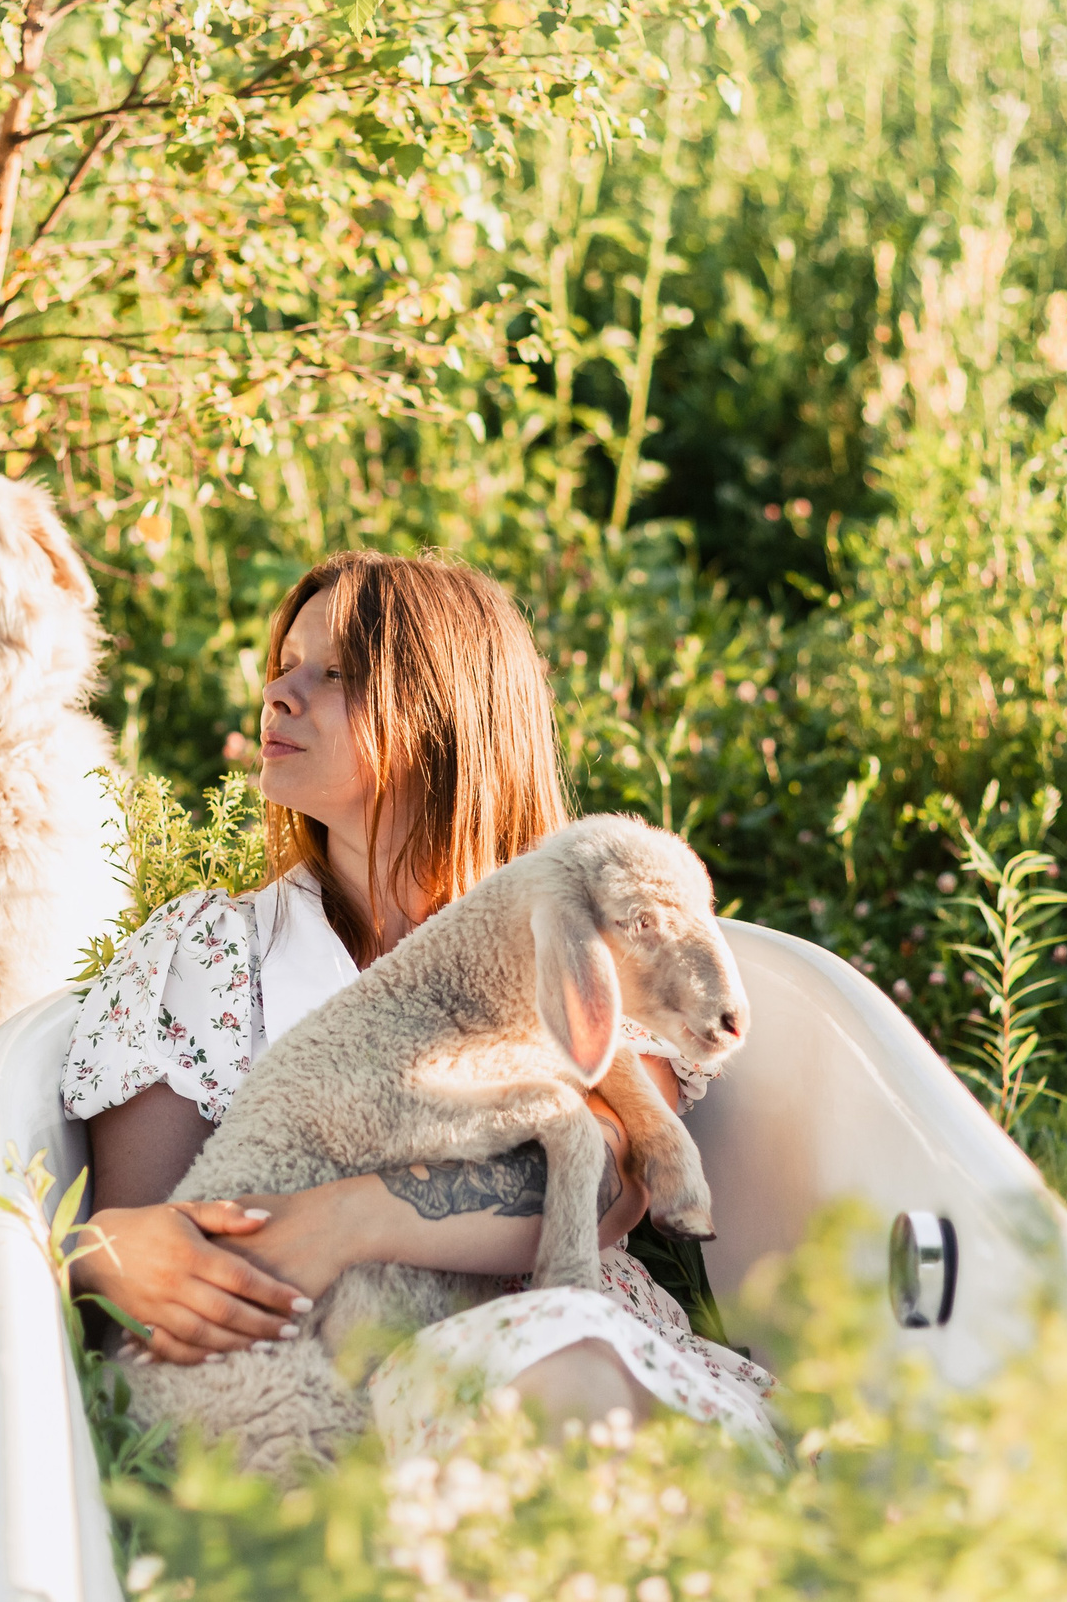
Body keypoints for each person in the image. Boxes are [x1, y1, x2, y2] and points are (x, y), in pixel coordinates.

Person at [64, 551, 776, 1455]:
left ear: (449, 716)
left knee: (568, 1377)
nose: (280, 696)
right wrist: (107, 1250)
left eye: (336, 675)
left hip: (569, 1340)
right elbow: (161, 1231)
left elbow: (609, 1180)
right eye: (281, 668)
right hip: (314, 1375)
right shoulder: (211, 950)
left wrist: (343, 1219)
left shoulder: (591, 918)